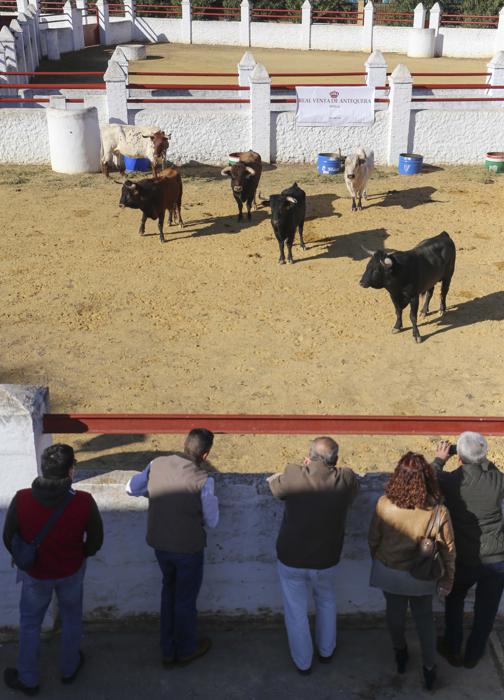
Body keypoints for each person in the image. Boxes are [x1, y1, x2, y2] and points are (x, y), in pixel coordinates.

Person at [2, 443, 104, 696]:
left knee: (29, 624)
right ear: (70, 471)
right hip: (71, 571)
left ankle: (28, 678)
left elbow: (8, 536)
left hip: (36, 575)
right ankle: (69, 669)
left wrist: (20, 556)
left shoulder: (22, 498)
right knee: (71, 620)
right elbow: (96, 540)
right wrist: (81, 554)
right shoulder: (84, 501)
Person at [126, 428, 219, 667]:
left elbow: (131, 488)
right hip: (188, 548)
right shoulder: (204, 481)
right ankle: (186, 648)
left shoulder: (156, 463)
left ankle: (167, 649)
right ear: (205, 455)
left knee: (169, 592)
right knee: (185, 600)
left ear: (183, 443)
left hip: (160, 544)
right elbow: (212, 521)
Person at [268, 437, 359, 675]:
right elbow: (353, 488)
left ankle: (303, 663)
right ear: (336, 460)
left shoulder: (294, 473)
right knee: (327, 602)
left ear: (309, 456)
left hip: (291, 557)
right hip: (327, 558)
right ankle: (326, 652)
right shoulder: (345, 478)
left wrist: (304, 468)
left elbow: (275, 488)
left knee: (296, 611)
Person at [368, 451, 455, 692]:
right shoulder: (438, 512)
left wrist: (382, 560)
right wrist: (447, 578)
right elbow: (448, 551)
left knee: (394, 616)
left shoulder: (384, 504)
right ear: (428, 478)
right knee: (425, 621)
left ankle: (401, 653)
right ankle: (429, 669)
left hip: (390, 572)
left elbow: (373, 539)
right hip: (422, 575)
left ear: (397, 477)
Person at [433, 433, 504, 669]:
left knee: (454, 599)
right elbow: (492, 471)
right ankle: (473, 655)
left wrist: (440, 459)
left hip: (464, 557)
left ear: (460, 457)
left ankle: (452, 646)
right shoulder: (496, 479)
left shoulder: (451, 481)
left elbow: (431, 477)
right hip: (496, 557)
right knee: (486, 610)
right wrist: (480, 458)